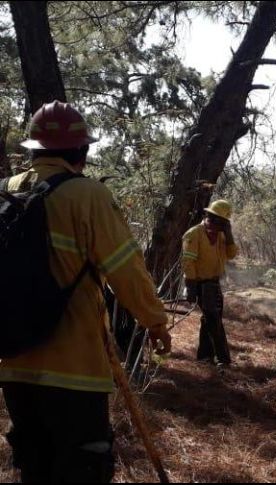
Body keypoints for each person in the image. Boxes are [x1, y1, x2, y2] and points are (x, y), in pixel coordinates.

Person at [0, 101, 172, 483]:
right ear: (82, 151)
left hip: (14, 365)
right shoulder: (86, 195)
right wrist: (156, 323)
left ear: (34, 149)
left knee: (35, 466)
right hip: (75, 369)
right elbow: (126, 268)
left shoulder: (7, 192)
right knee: (82, 467)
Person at [182, 200, 239, 368]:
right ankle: (224, 360)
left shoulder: (221, 236)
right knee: (214, 321)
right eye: (214, 220)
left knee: (209, 321)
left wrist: (229, 235)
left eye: (222, 223)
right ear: (208, 217)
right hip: (201, 284)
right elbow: (188, 263)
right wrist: (190, 286)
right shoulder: (194, 234)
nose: (216, 225)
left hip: (214, 283)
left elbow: (231, 255)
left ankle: (204, 358)